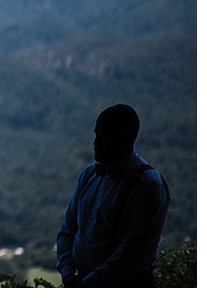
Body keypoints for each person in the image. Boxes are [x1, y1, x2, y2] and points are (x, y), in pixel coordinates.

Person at [56, 104, 171, 288]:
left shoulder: (147, 185)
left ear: (126, 139)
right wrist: (68, 273)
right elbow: (68, 230)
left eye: (104, 136)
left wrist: (85, 285)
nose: (96, 142)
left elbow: (132, 254)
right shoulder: (89, 176)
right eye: (96, 134)